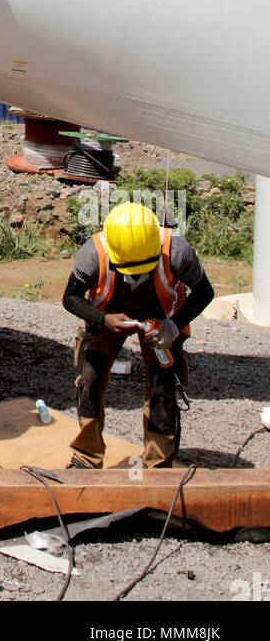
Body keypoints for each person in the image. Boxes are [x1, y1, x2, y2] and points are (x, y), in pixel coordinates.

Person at [63, 200, 214, 469]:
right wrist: (104, 319)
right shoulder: (93, 253)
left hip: (162, 321)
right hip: (108, 316)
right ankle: (87, 457)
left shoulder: (177, 250)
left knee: (163, 385)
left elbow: (205, 292)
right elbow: (70, 297)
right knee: (90, 379)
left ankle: (159, 462)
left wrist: (173, 326)